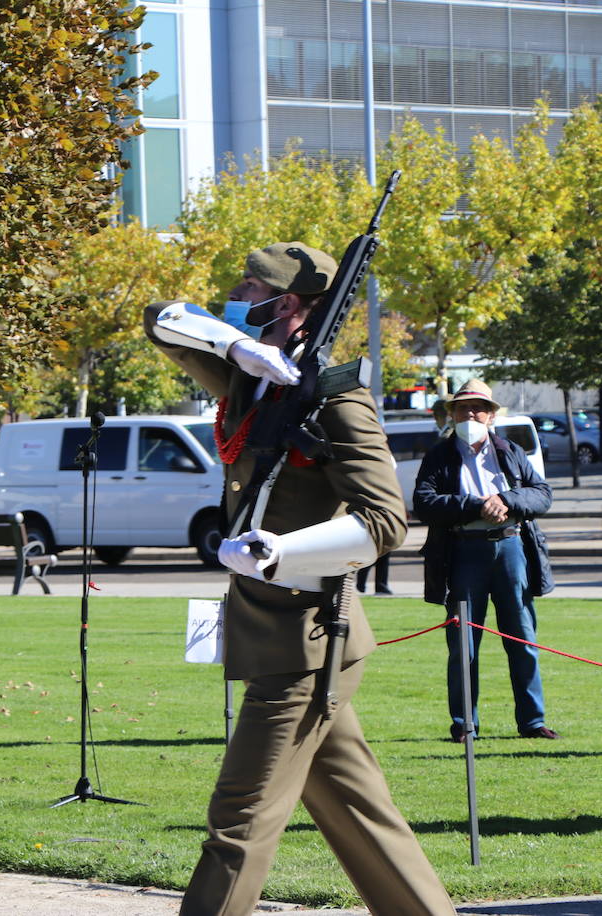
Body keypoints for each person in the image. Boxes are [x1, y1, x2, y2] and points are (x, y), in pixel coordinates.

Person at [144, 242, 454, 915]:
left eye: (248, 287)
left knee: (238, 821)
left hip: (309, 643)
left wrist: (281, 551)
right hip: (275, 637)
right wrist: (236, 349)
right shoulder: (253, 381)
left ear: (285, 303)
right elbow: (159, 317)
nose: (236, 297)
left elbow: (384, 521)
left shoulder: (337, 399)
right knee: (359, 815)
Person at [412, 378, 556, 742]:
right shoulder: (439, 455)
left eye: (478, 408)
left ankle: (532, 721)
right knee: (463, 644)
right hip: (463, 552)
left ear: (491, 416)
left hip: (511, 550)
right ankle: (464, 724)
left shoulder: (510, 450)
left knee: (522, 638)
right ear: (453, 415)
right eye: (463, 407)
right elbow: (425, 503)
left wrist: (506, 500)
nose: (471, 413)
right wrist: (477, 504)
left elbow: (542, 495)